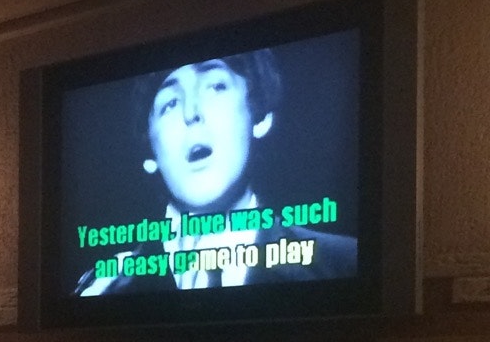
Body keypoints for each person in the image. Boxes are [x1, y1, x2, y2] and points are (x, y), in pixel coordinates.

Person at [74, 47, 357, 295]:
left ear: (259, 117)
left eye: (216, 87)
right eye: (170, 103)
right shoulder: (102, 289)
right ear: (150, 154)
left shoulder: (346, 262)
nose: (191, 112)